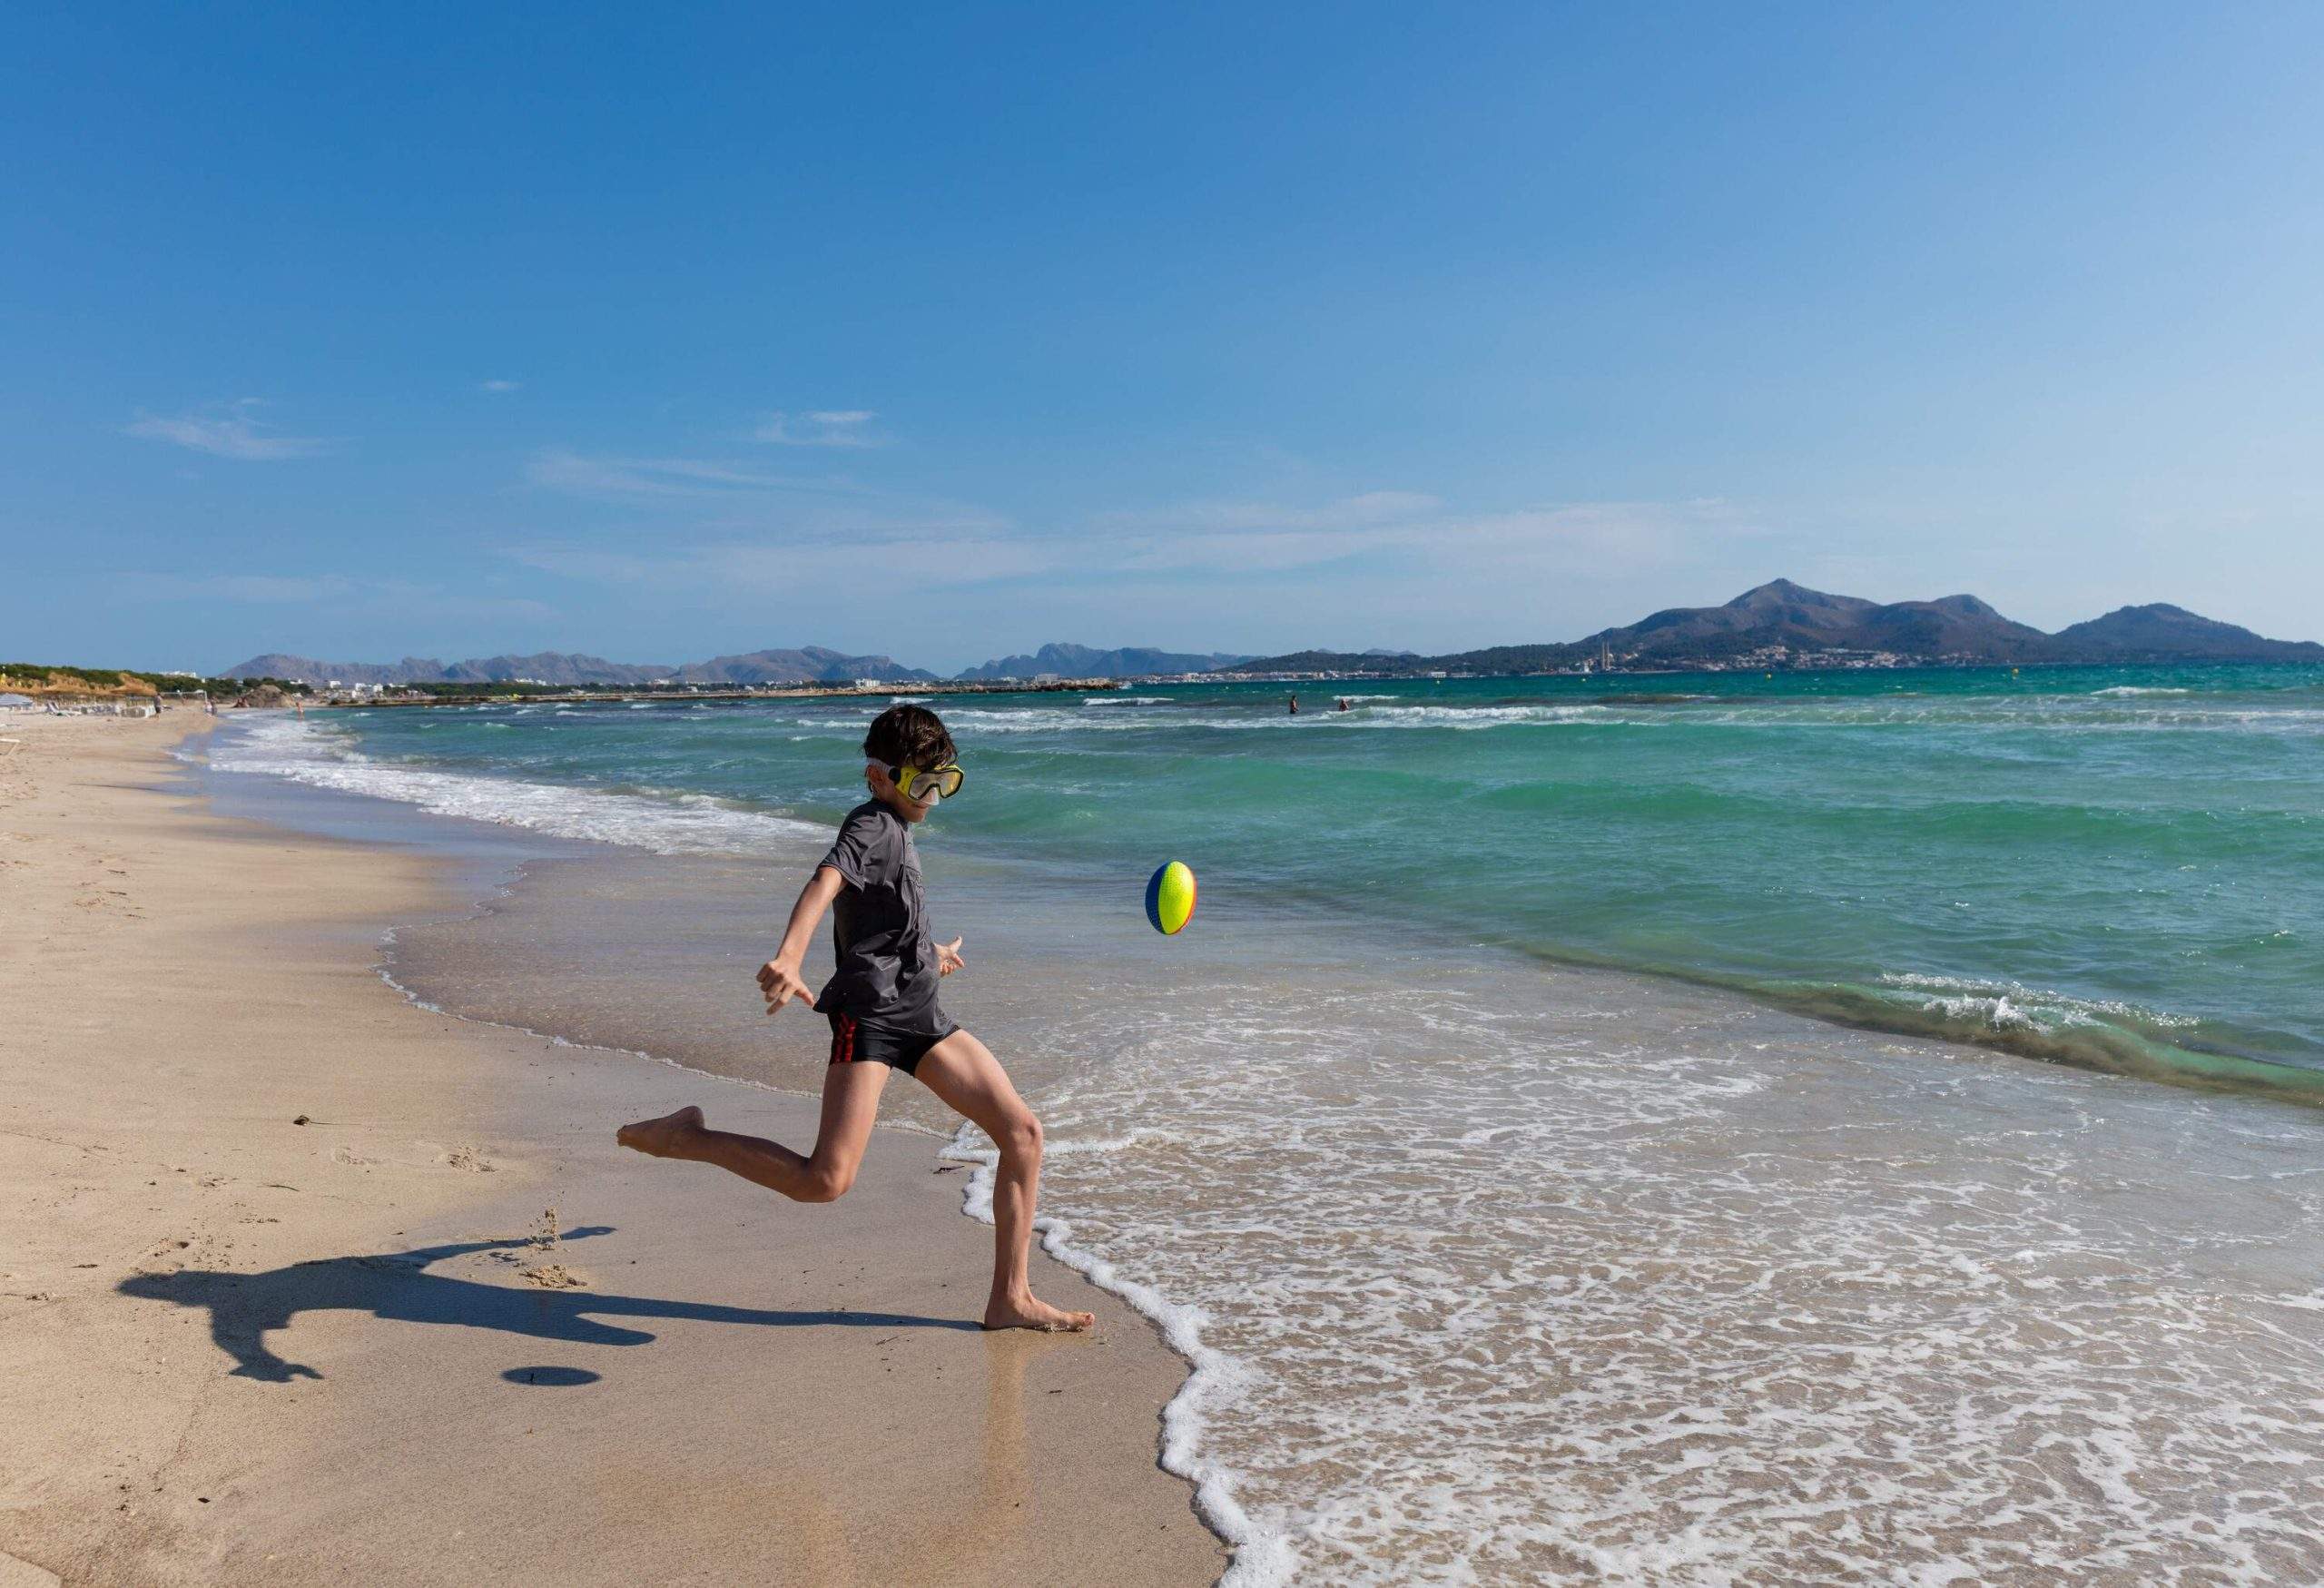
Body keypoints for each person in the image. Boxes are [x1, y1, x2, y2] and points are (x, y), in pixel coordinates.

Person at [615, 704, 1094, 1332]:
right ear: (879, 777)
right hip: (868, 1023)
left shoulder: (899, 827)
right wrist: (789, 956)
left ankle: (1010, 1296)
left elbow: (884, 919)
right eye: (921, 783)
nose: (932, 798)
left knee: (1023, 1135)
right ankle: (688, 1136)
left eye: (942, 782)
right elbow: (824, 885)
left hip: (923, 1018)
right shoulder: (871, 824)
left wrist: (931, 952)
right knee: (825, 1180)